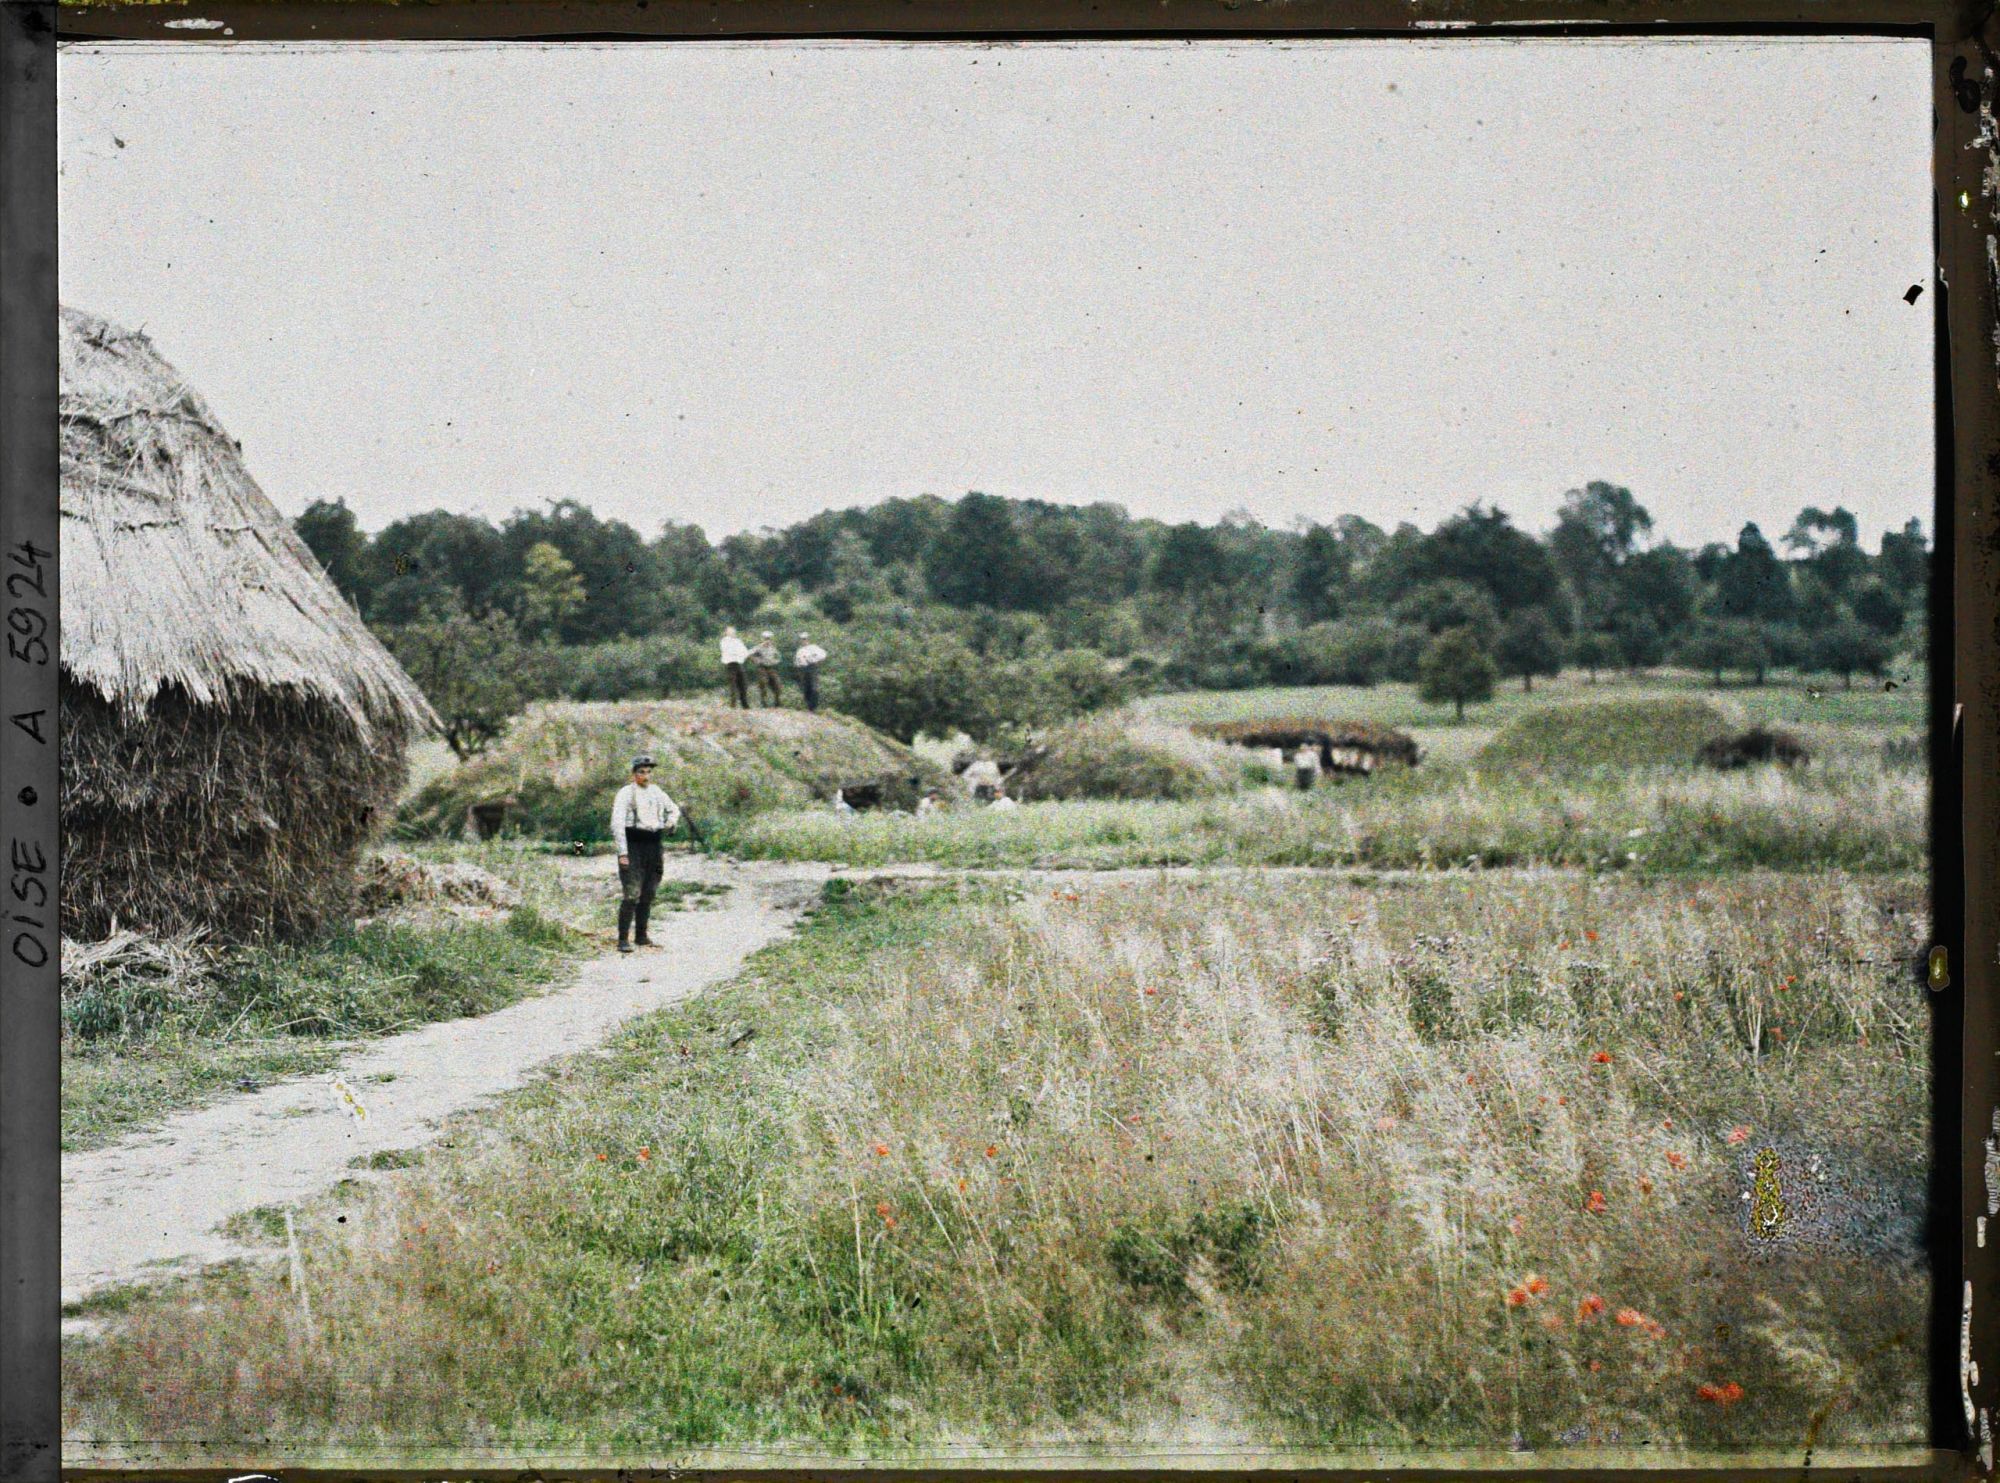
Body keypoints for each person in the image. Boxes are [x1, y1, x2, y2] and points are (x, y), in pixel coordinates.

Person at [611, 755, 681, 954]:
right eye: (641, 771)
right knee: (632, 893)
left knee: (649, 891)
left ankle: (641, 935)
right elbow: (616, 824)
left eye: (649, 771)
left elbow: (674, 809)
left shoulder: (657, 791)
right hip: (634, 843)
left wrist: (671, 822)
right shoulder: (625, 793)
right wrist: (622, 853)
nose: (646, 775)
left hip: (654, 844)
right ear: (634, 774)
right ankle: (623, 939)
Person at [793, 632, 828, 713]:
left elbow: (823, 655)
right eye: (802, 639)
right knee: (806, 688)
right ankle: (809, 706)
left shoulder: (814, 647)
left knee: (814, 687)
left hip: (812, 667)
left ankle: (814, 707)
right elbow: (796, 661)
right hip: (803, 669)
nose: (804, 641)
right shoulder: (800, 650)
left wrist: (817, 660)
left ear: (808, 639)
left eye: (805, 639)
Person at [719, 626, 750, 708]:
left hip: (739, 664)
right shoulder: (724, 641)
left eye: (733, 632)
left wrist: (742, 655)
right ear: (726, 633)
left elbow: (745, 652)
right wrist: (739, 653)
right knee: (733, 685)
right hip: (731, 665)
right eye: (730, 632)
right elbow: (728, 651)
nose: (733, 633)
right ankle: (733, 705)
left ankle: (745, 704)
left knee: (743, 684)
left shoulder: (738, 641)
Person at [750, 630, 783, 706]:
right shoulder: (758, 647)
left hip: (771, 667)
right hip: (762, 667)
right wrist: (755, 660)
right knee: (763, 682)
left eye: (769, 638)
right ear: (763, 638)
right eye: (766, 638)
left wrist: (776, 661)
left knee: (777, 683)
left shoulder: (773, 648)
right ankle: (764, 702)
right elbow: (749, 653)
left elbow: (779, 656)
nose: (767, 640)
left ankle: (777, 701)